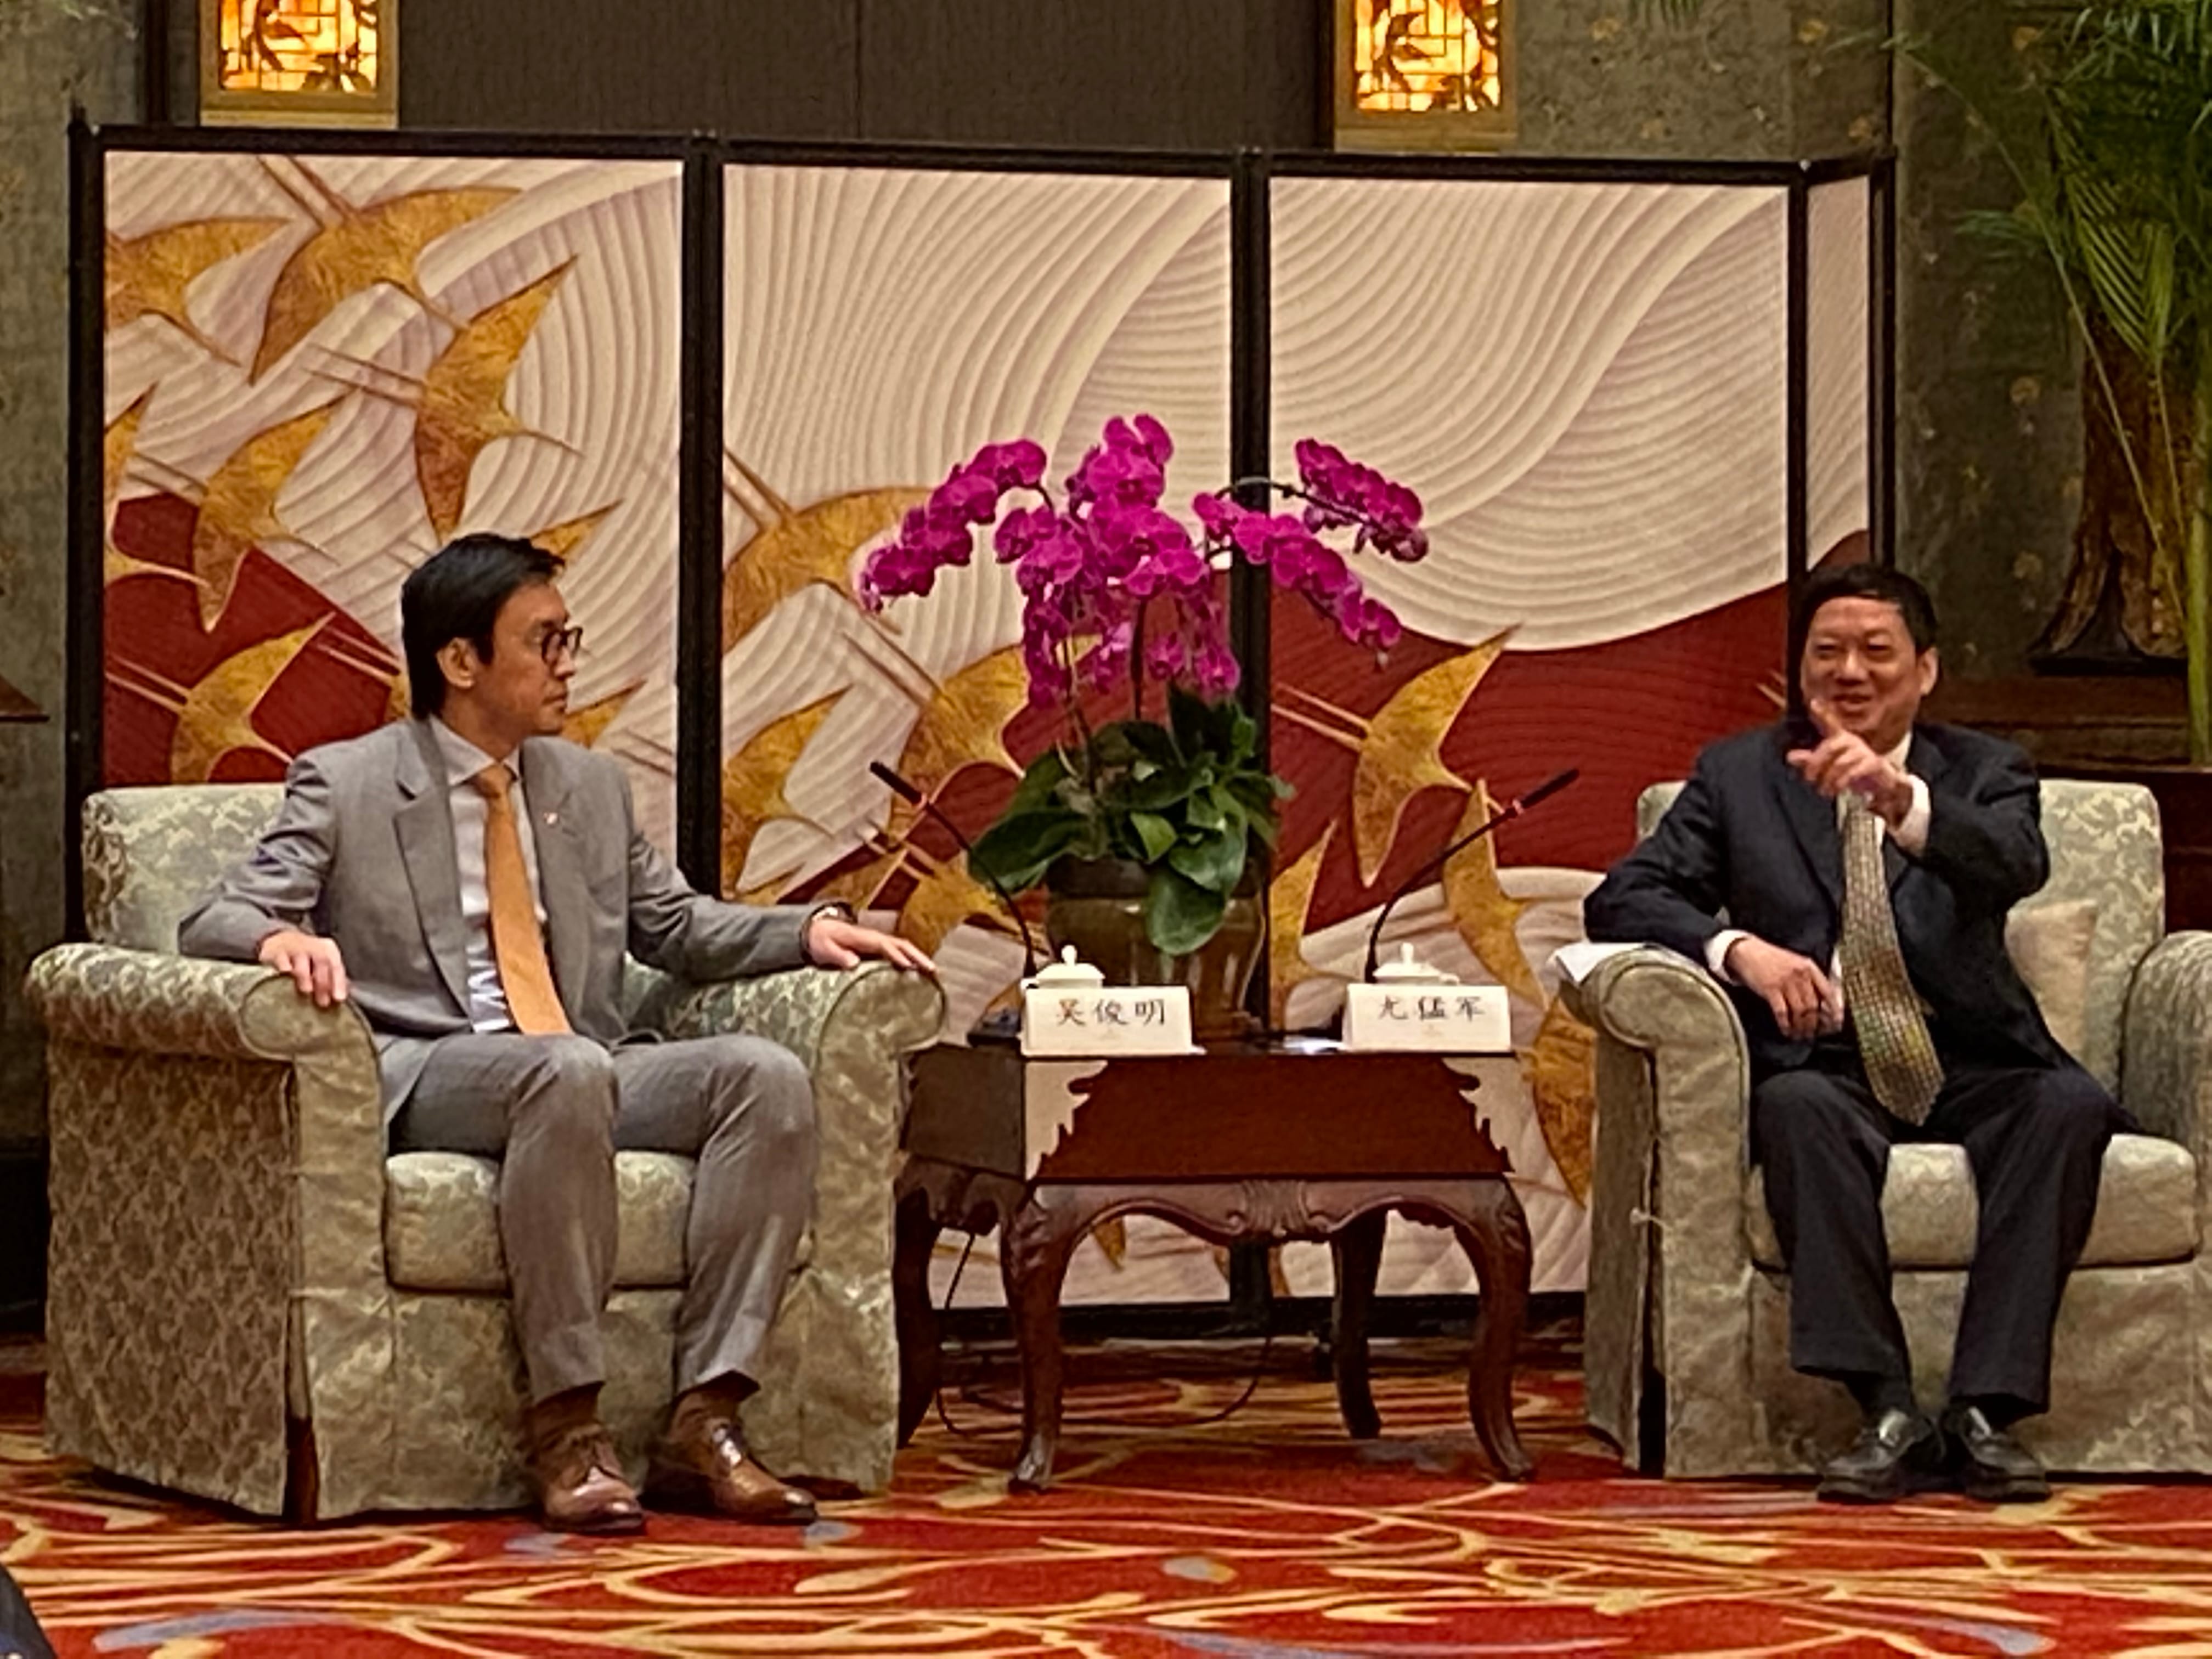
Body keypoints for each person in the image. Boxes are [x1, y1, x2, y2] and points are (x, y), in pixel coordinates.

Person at [180, 533, 934, 1535]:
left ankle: (708, 1416)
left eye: (568, 639)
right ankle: (569, 1425)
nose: (568, 664)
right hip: (438, 1068)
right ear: (460, 662)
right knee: (566, 1070)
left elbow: (675, 926)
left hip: (579, 1065)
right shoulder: (349, 782)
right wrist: (278, 938)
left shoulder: (586, 787)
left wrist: (806, 931)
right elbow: (211, 921)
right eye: (545, 642)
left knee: (764, 1075)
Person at [1583, 563, 2129, 1505]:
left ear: (1925, 670)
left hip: (1967, 1055)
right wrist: (1739, 948)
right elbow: (1623, 897)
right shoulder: (1739, 775)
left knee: (2069, 1105)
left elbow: (2014, 864)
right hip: (1825, 1061)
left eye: (1877, 652)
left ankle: (1986, 1412)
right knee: (1792, 1111)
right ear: (1802, 674)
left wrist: (1899, 801)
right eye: (1827, 652)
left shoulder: (1987, 773)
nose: (1852, 672)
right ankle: (1884, 1408)